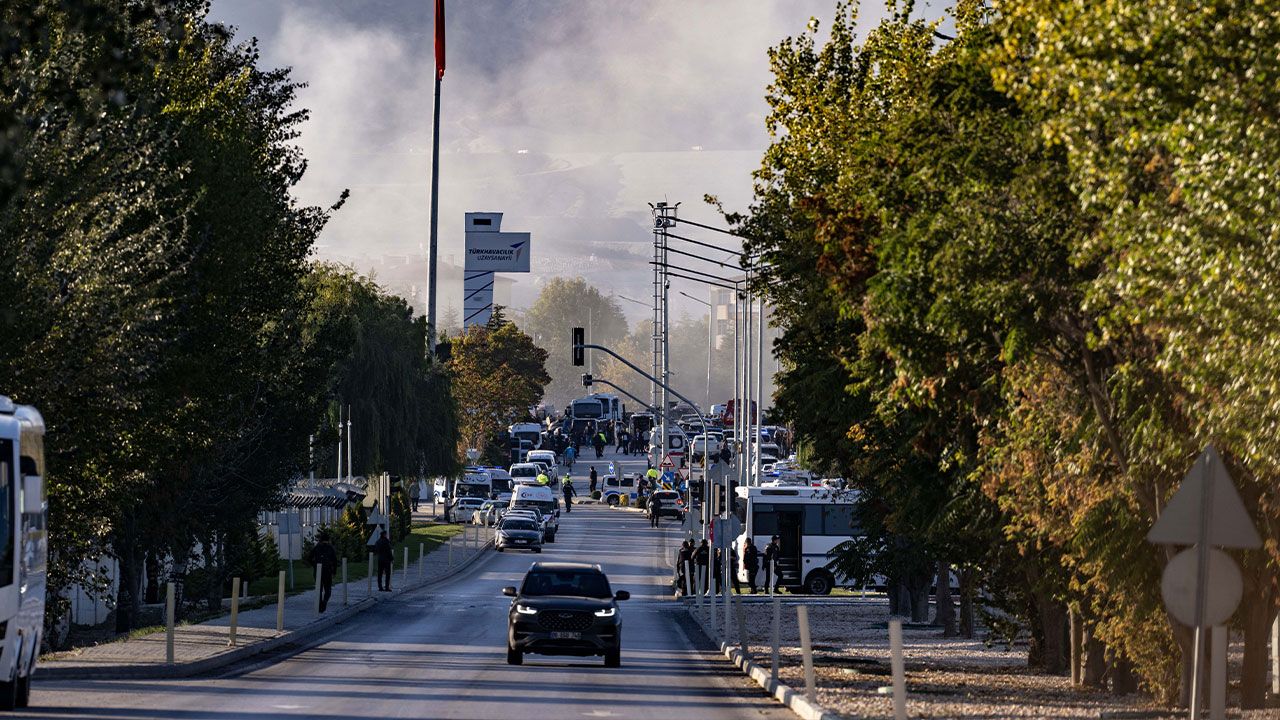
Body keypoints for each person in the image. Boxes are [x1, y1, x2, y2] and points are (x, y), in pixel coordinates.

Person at [308, 529, 338, 612]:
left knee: (319, 589)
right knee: (327, 588)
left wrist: (314, 565)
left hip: (318, 571)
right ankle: (324, 602)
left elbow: (309, 557)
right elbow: (335, 560)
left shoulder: (317, 547)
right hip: (327, 571)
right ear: (328, 540)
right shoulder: (330, 548)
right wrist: (334, 571)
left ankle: (319, 604)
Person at [374, 527, 394, 592]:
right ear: (384, 535)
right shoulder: (386, 542)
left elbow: (376, 550)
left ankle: (380, 587)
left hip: (380, 559)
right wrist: (391, 559)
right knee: (387, 574)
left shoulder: (378, 542)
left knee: (380, 573)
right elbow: (389, 551)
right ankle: (387, 587)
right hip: (386, 559)